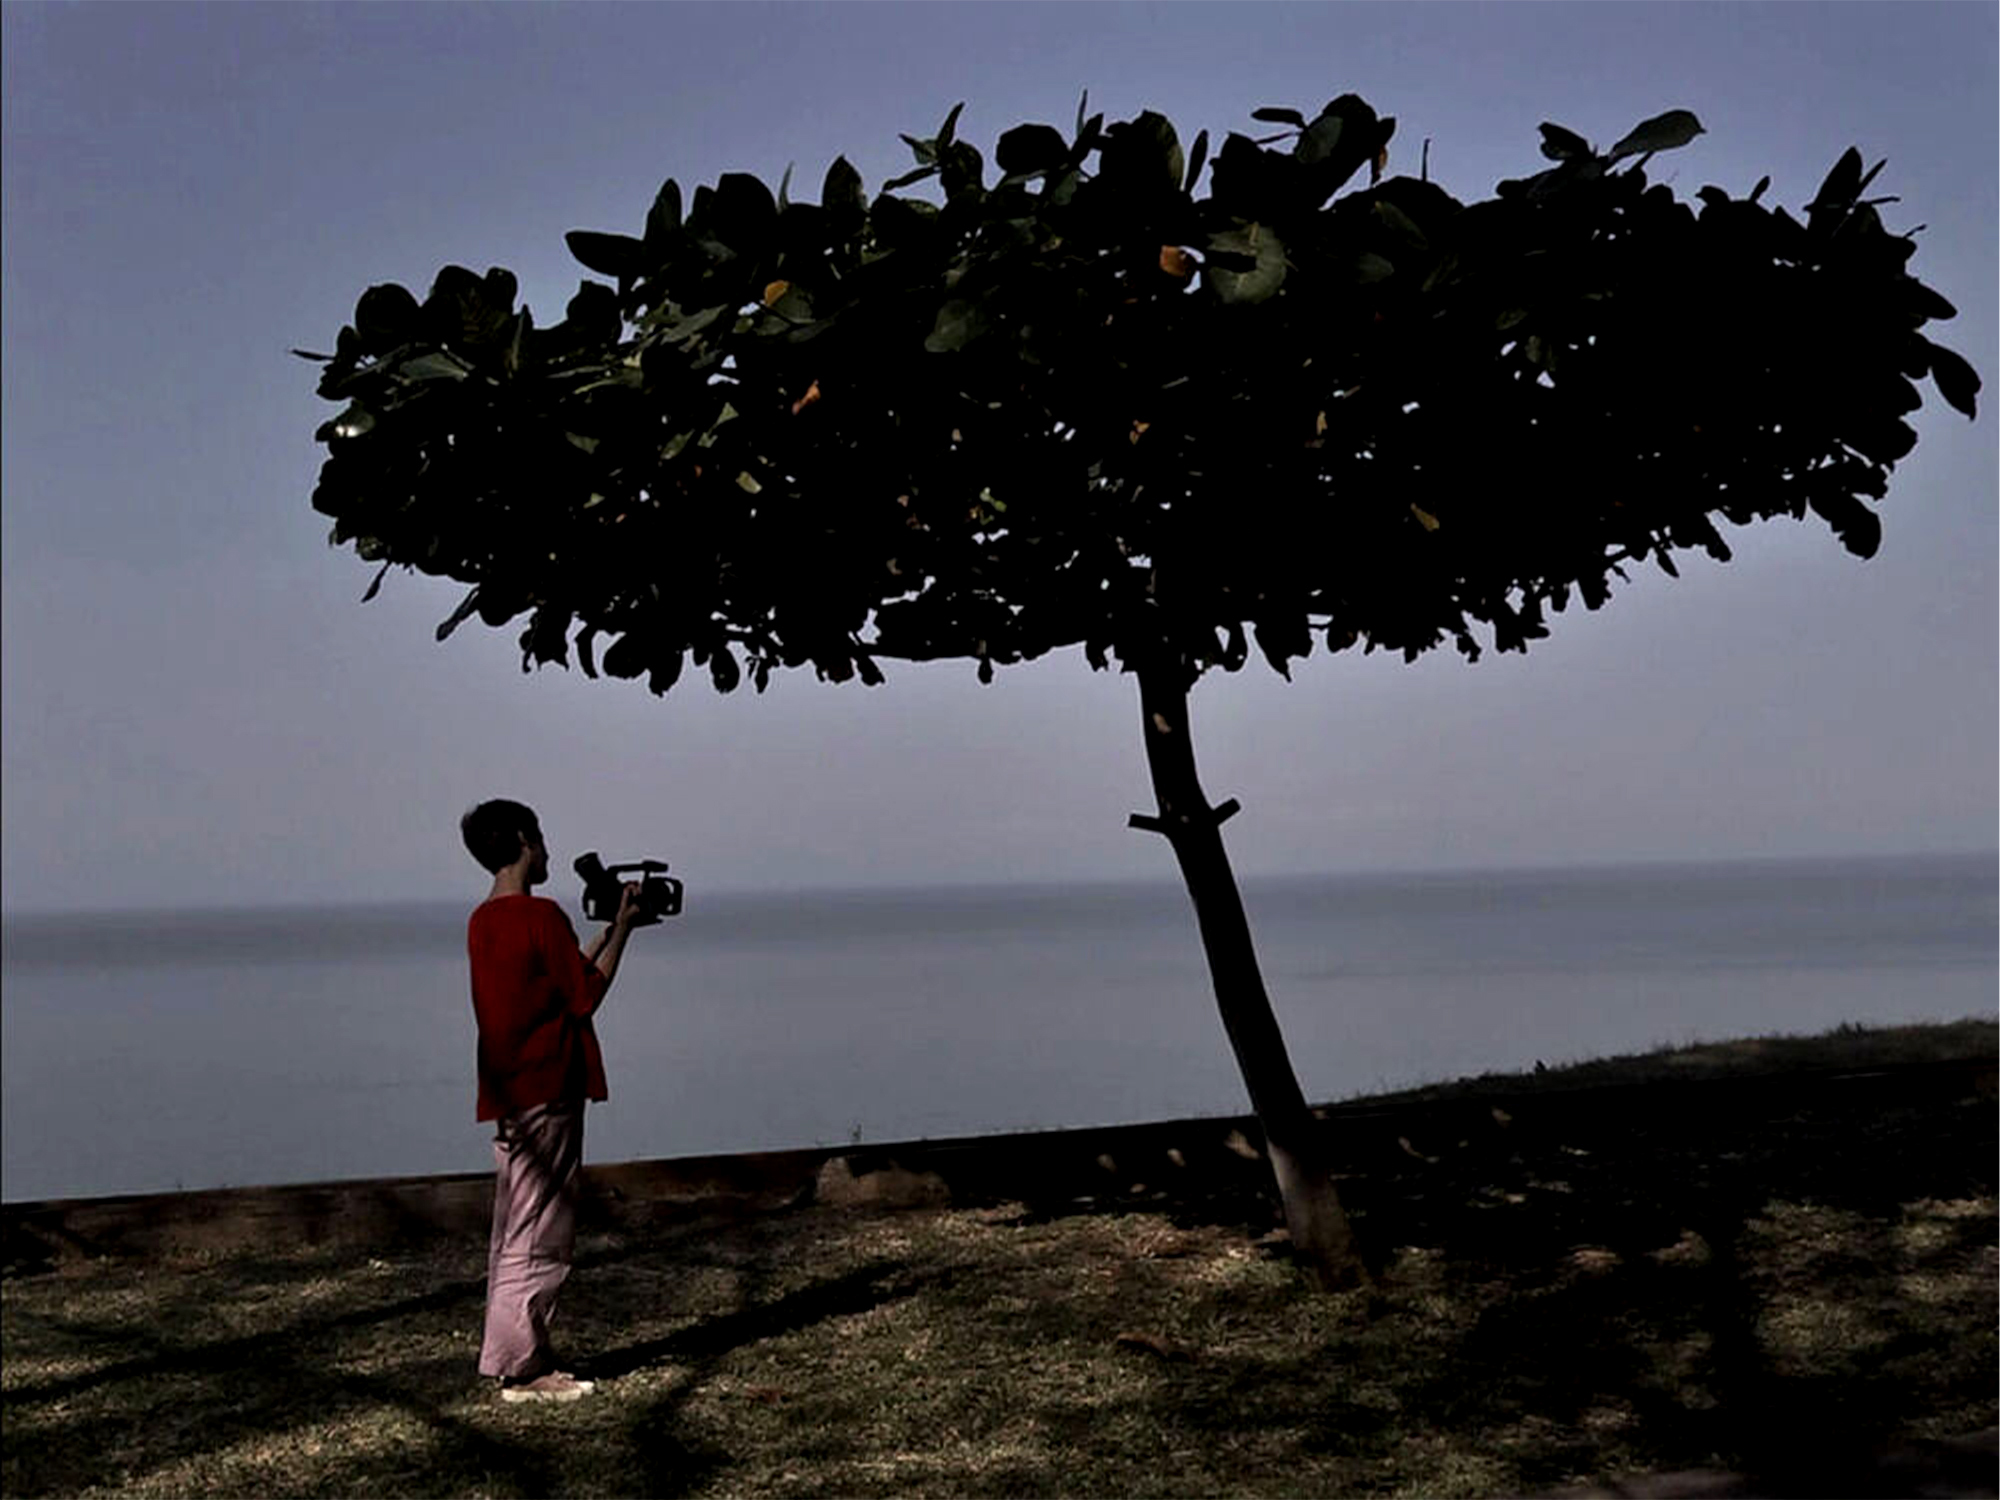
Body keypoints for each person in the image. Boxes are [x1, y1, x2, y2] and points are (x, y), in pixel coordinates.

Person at [459, 798, 646, 1403]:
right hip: (549, 1086)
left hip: (511, 1092)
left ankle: (520, 1352)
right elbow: (584, 998)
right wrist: (621, 933)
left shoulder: (483, 921)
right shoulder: (541, 915)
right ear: (520, 841)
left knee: (515, 1225)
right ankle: (522, 1369)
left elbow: (544, 986)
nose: (546, 850)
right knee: (540, 1230)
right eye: (539, 838)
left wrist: (588, 943)